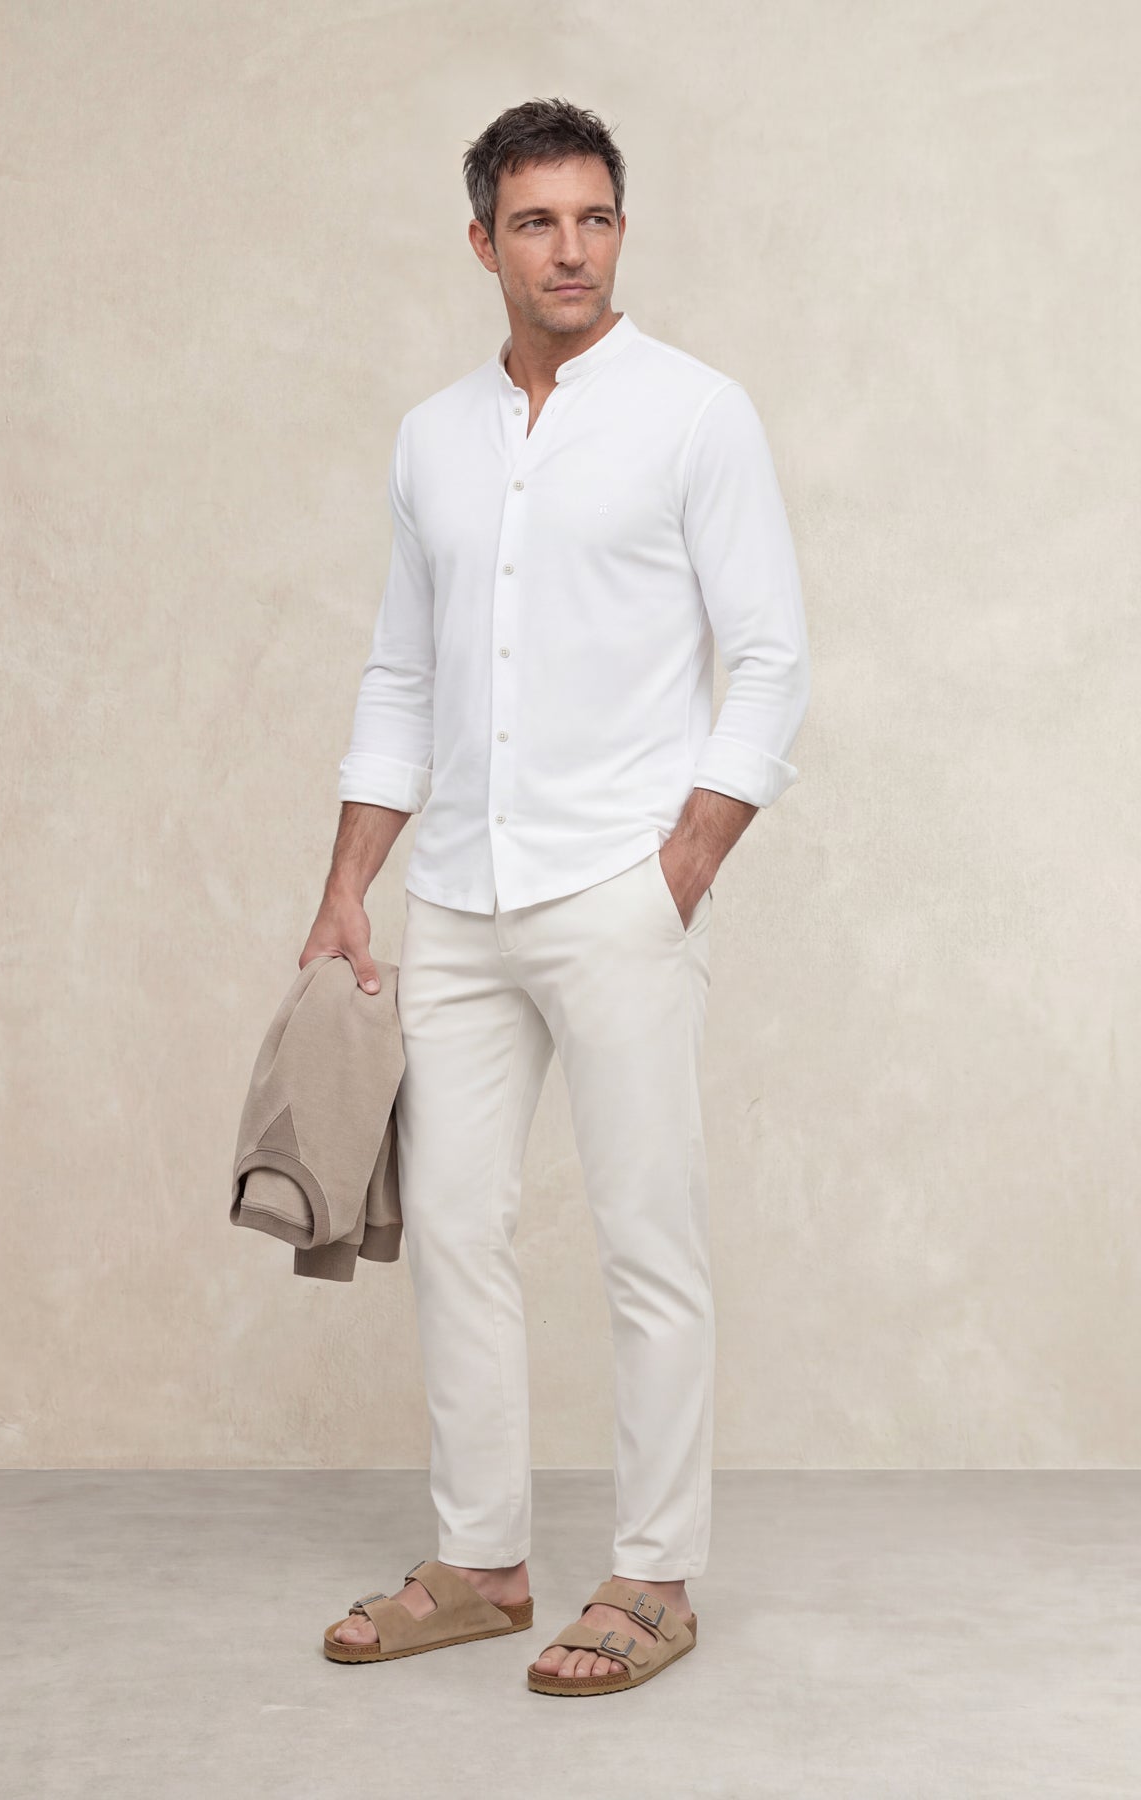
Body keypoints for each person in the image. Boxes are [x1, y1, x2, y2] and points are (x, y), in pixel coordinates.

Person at [301, 96, 810, 1694]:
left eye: (594, 218)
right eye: (536, 222)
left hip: (618, 891)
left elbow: (771, 657)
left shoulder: (696, 414)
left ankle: (653, 1578)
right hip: (457, 896)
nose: (571, 249)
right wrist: (348, 886)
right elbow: (401, 672)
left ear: (620, 231)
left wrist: (684, 865)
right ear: (484, 242)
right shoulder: (431, 437)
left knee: (648, 1236)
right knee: (456, 1230)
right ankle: (483, 1562)